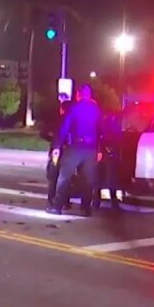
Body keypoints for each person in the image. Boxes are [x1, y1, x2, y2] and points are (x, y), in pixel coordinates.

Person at [47, 84, 102, 216]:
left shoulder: (74, 108)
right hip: (91, 148)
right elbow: (100, 130)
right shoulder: (96, 109)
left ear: (79, 94)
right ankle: (85, 208)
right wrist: (99, 149)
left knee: (64, 177)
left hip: (76, 147)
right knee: (88, 180)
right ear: (90, 95)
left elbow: (65, 128)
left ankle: (57, 206)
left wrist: (57, 146)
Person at [43, 99, 73, 210]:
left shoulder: (56, 120)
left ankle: (51, 201)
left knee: (53, 177)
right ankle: (65, 201)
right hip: (68, 151)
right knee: (66, 177)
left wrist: (51, 139)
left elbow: (43, 133)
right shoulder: (72, 121)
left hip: (56, 151)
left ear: (61, 109)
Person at [95, 112, 123, 210]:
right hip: (111, 154)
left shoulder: (100, 124)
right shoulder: (115, 125)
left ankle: (96, 202)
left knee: (99, 178)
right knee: (112, 178)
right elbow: (119, 138)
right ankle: (114, 202)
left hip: (102, 153)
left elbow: (98, 138)